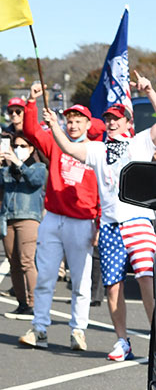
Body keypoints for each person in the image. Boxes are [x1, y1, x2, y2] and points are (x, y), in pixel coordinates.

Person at [42, 73, 156, 361]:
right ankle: (122, 341)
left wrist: (150, 91)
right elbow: (68, 147)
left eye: (118, 118)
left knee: (145, 278)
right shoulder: (97, 149)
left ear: (129, 123)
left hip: (138, 222)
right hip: (109, 226)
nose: (113, 122)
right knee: (113, 285)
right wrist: (55, 126)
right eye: (109, 118)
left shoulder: (140, 143)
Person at [18, 83, 104, 350]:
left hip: (82, 221)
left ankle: (78, 331)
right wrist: (32, 102)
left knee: (80, 280)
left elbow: (105, 189)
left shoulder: (97, 150)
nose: (73, 125)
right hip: (54, 218)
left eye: (78, 121)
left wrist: (99, 223)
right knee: (45, 276)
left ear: (88, 125)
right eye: (69, 120)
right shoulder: (56, 142)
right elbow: (31, 131)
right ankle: (39, 329)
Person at [0, 130, 46, 319]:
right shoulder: (8, 169)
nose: (18, 149)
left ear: (31, 148)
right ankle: (22, 303)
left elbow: (35, 180)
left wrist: (17, 161)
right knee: (13, 263)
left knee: (26, 261)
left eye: (23, 146)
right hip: (8, 218)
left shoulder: (37, 167)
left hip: (28, 218)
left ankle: (34, 303)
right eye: (16, 146)